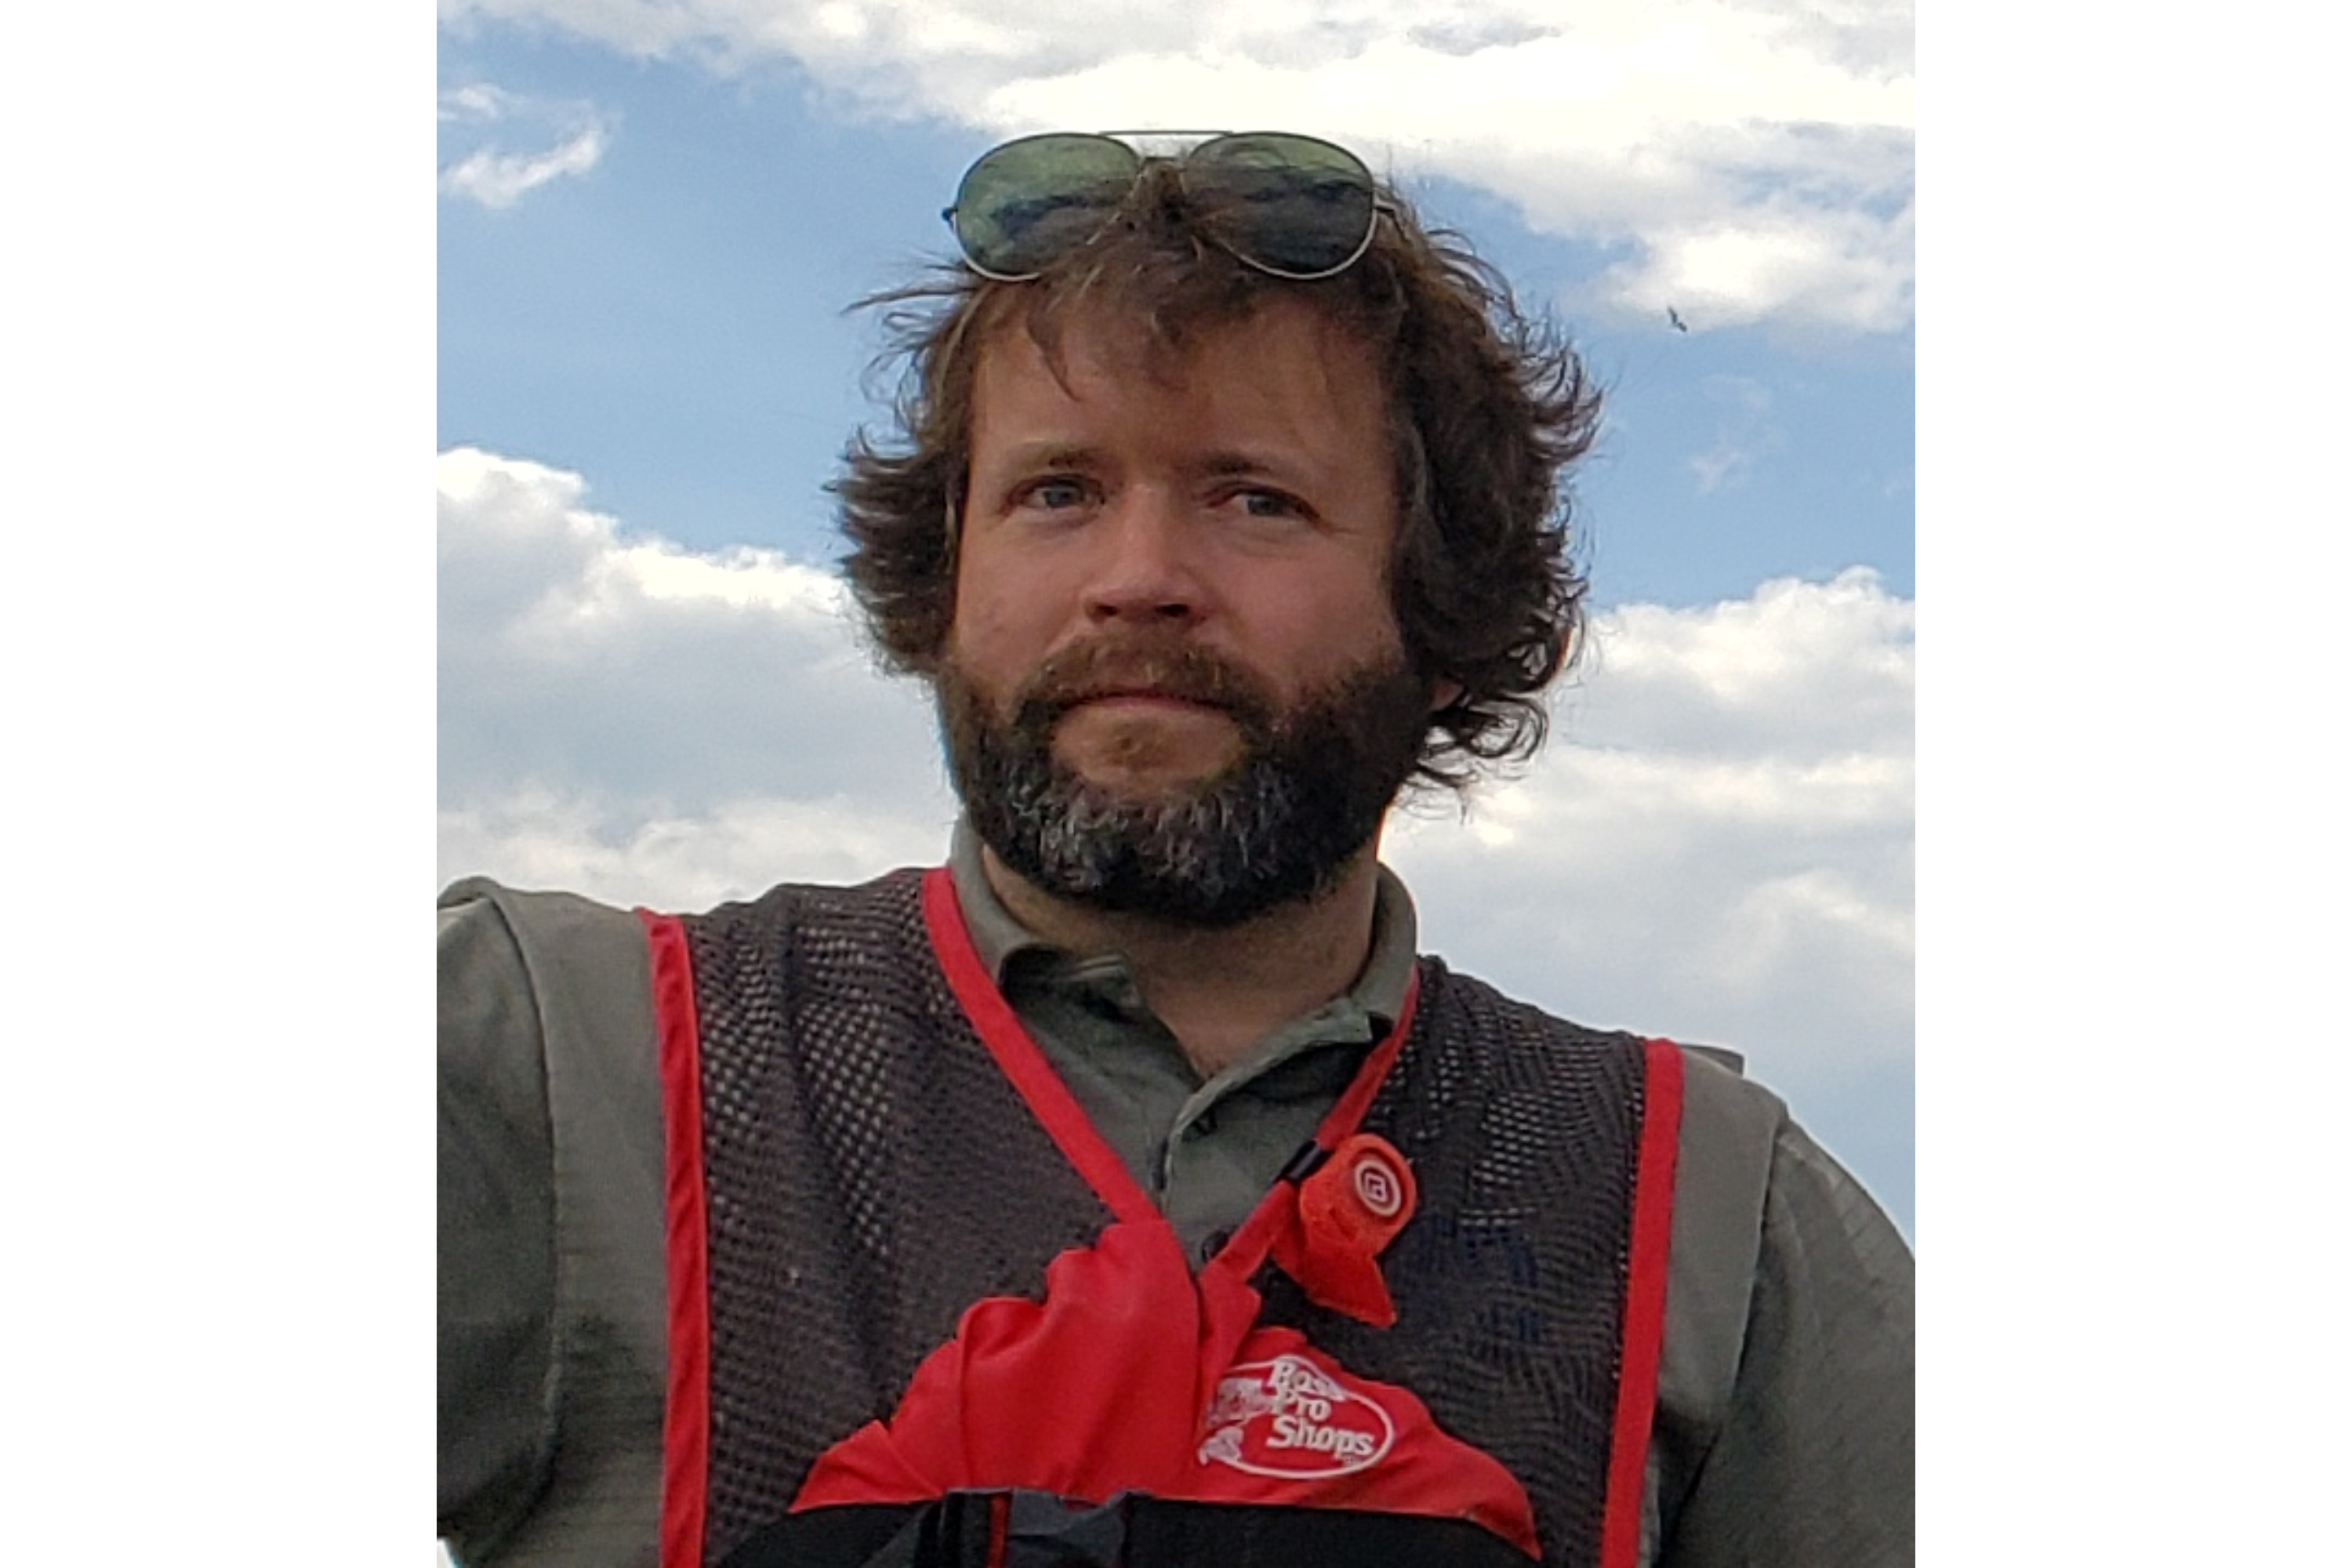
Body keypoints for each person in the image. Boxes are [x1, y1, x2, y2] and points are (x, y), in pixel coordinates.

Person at [438, 131, 1913, 1568]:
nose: (1138, 580)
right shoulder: (551, 1061)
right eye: (1057, 492)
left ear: (1445, 620)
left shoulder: (1719, 1216)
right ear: (947, 578)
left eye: (1254, 500)